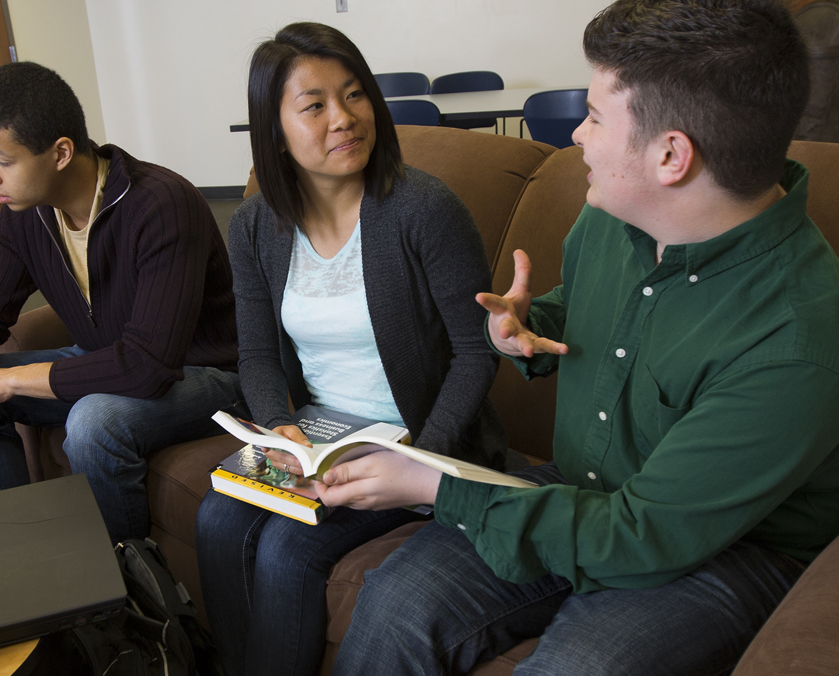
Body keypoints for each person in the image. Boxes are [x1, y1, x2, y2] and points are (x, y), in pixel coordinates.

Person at [330, 1, 839, 674]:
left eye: (595, 116)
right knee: (396, 597)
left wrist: (435, 487)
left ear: (669, 155)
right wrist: (528, 325)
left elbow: (643, 534)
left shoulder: (795, 337)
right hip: (588, 485)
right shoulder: (614, 214)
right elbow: (587, 310)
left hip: (729, 544)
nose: (574, 134)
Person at [194, 22, 506, 676]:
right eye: (314, 106)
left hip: (412, 442)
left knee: (285, 551)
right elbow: (255, 356)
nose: (343, 118)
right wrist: (279, 429)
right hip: (317, 433)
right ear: (273, 129)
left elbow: (476, 354)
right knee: (217, 518)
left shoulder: (422, 208)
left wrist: (421, 456)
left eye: (355, 95)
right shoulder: (255, 224)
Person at [0, 62, 242, 544]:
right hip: (105, 362)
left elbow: (148, 365)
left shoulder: (161, 204)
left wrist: (4, 380)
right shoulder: (25, 215)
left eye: (2, 160)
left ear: (61, 153)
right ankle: (17, 553)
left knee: (93, 420)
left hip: (206, 376)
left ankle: (126, 586)